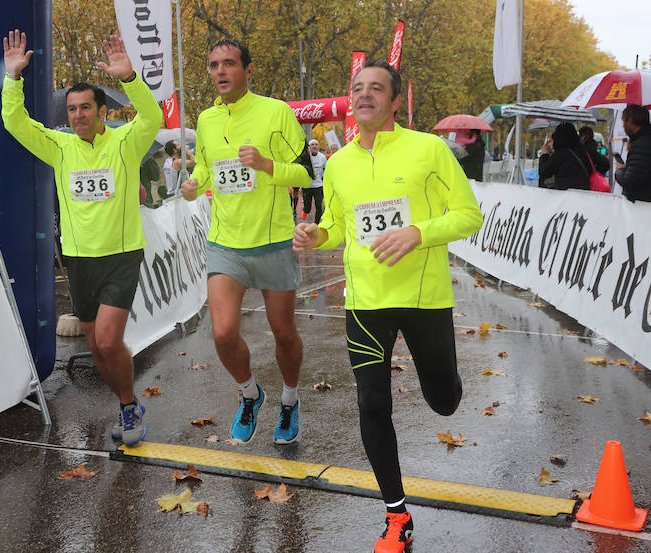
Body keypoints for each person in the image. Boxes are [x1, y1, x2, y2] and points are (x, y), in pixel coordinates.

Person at [293, 60, 482, 553]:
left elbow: (469, 215)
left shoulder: (428, 150)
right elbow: (335, 225)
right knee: (372, 403)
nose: (365, 95)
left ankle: (444, 381)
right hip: (366, 303)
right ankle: (396, 515)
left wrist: (419, 231)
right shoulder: (337, 164)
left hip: (423, 299)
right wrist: (317, 235)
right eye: (358, 88)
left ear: (395, 102)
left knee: (444, 401)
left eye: (377, 89)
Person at [1, 30, 160, 445]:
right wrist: (12, 78)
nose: (77, 115)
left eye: (85, 107)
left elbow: (152, 118)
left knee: (108, 340)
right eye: (72, 109)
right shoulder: (60, 147)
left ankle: (127, 406)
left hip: (122, 255)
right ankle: (127, 403)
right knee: (96, 345)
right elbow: (15, 123)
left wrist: (130, 79)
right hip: (79, 259)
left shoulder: (126, 141)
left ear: (102, 112)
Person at [180, 39, 313, 445]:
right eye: (214, 65)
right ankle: (250, 393)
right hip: (225, 243)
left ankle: (289, 399)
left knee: (283, 332)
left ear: (247, 70)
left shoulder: (275, 112)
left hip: (273, 241)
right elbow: (206, 165)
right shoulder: (204, 119)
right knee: (222, 333)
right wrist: (194, 183)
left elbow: (305, 173)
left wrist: (266, 164)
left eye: (229, 64)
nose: (220, 72)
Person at [538, 122, 607, 191]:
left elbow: (544, 172)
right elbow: (605, 164)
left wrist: (545, 155)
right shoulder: (584, 150)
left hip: (567, 195)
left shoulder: (560, 154)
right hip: (585, 193)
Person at [301, 139, 327, 223]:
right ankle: (305, 211)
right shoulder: (305, 157)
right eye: (312, 144)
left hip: (318, 185)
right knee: (307, 208)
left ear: (318, 147)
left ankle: (316, 223)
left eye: (316, 144)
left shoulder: (322, 157)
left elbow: (326, 170)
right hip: (307, 185)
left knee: (319, 206)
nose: (314, 146)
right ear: (309, 147)